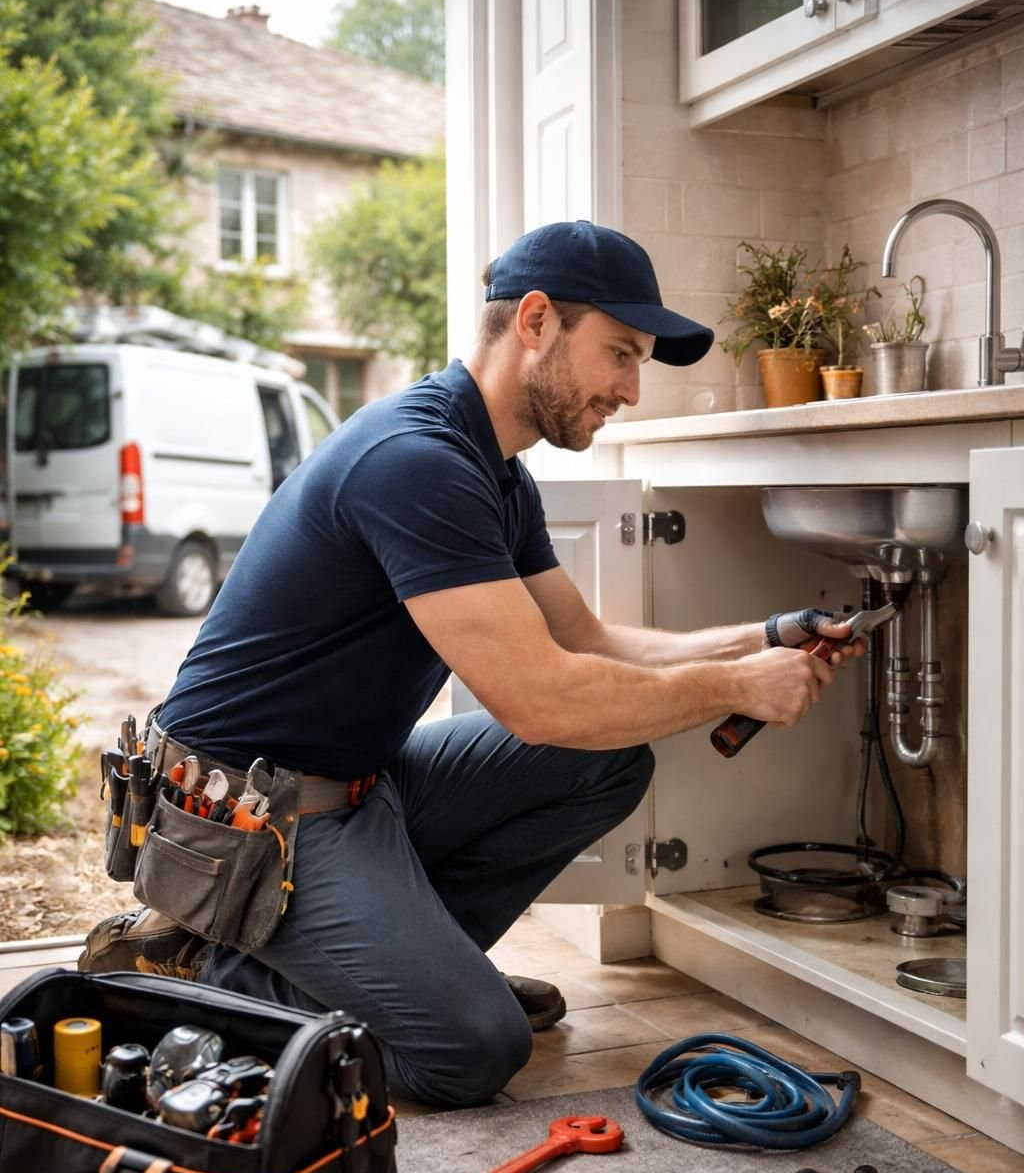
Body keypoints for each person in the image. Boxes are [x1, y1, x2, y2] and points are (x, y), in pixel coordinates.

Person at [146, 220, 860, 1108]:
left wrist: (767, 638)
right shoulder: (416, 462)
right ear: (535, 321)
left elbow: (588, 643)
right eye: (620, 354)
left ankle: (413, 978)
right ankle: (214, 979)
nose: (631, 390)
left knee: (608, 762)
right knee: (473, 1052)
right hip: (247, 815)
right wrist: (734, 687)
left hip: (356, 786)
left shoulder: (495, 469)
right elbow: (542, 702)